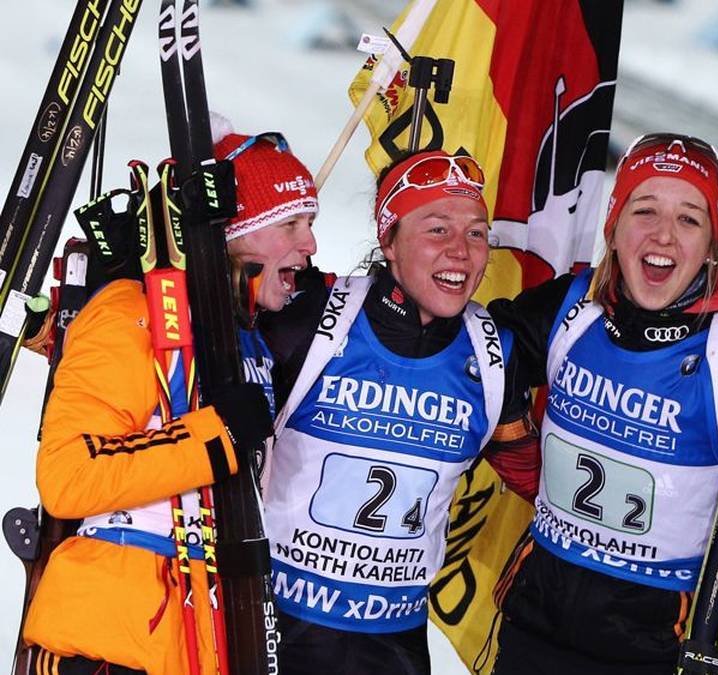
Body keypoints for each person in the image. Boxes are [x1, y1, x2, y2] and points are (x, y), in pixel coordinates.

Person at [487, 134, 718, 674]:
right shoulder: (572, 307)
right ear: (614, 226)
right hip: (532, 632)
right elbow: (481, 368)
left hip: (654, 654)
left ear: (710, 246)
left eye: (689, 219)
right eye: (645, 209)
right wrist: (521, 455)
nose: (663, 235)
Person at [22, 120, 319, 674]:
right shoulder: (130, 315)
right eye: (292, 224)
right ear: (232, 232)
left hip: (203, 636)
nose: (310, 244)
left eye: (310, 223)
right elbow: (68, 477)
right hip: (112, 639)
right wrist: (217, 437)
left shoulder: (247, 335)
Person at [256, 149, 538, 674]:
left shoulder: (495, 353)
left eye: (477, 233)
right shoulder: (310, 315)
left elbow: (537, 478)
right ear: (388, 241)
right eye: (437, 230)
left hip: (392, 648)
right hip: (273, 631)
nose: (461, 252)